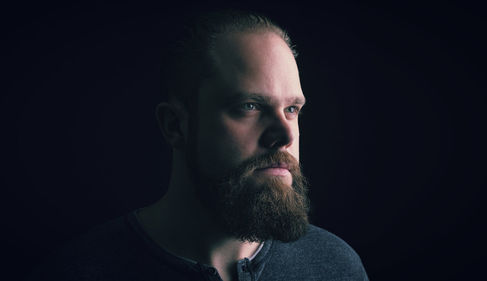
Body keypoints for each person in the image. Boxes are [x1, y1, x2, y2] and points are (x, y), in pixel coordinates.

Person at [29, 10, 369, 281]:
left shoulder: (335, 266)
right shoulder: (79, 272)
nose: (285, 135)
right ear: (175, 125)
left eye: (292, 109)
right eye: (249, 106)